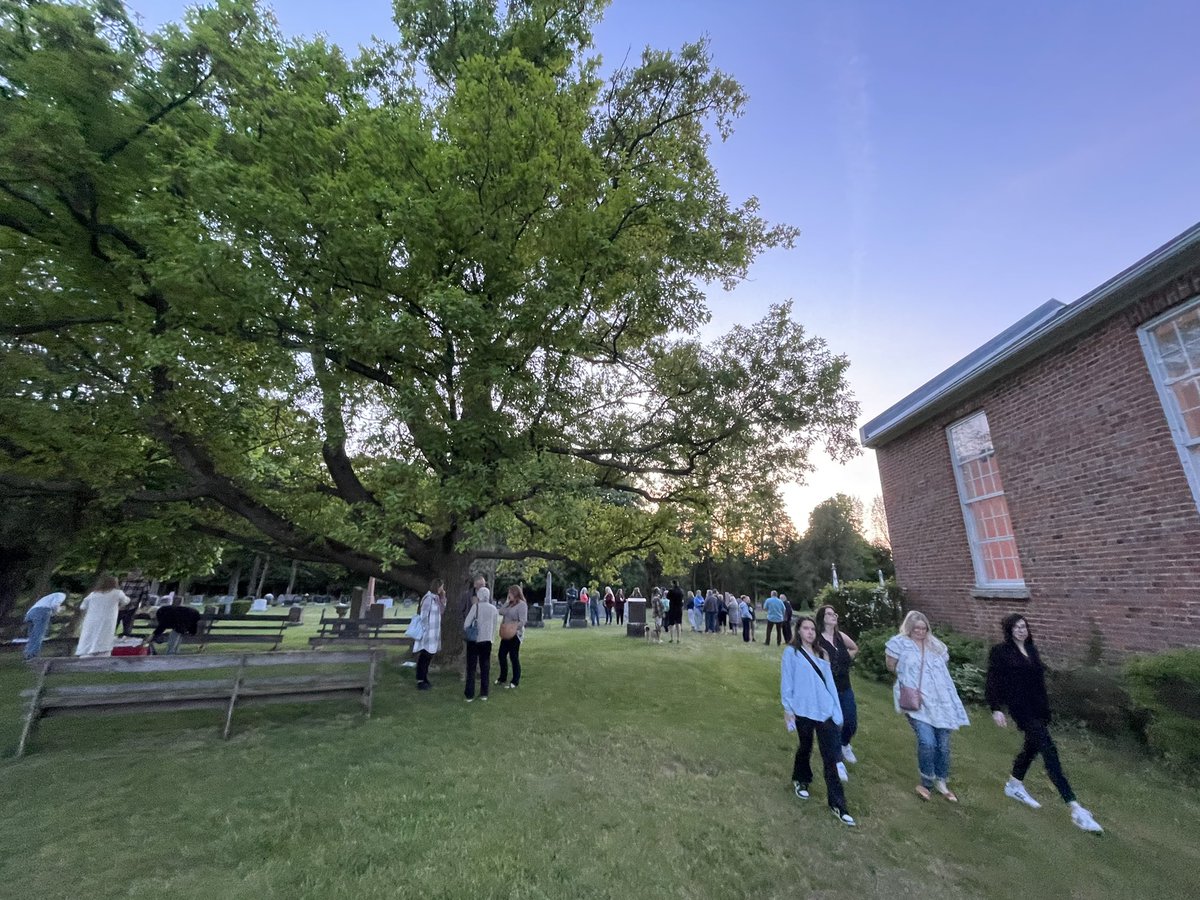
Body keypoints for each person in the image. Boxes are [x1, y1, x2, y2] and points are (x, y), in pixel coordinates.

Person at [986, 614, 1103, 833]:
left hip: (1038, 709)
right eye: (1017, 627)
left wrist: (1046, 709)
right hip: (1021, 709)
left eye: (1024, 626)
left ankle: (1014, 784)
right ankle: (1075, 808)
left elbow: (1038, 682)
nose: (1021, 630)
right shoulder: (1001, 652)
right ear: (1009, 631)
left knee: (1032, 747)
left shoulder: (1031, 650)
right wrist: (996, 708)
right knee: (1049, 751)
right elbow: (993, 681)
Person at [885, 611, 970, 802]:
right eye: (916, 628)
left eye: (923, 628)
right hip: (917, 701)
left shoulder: (936, 645)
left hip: (941, 701)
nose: (920, 632)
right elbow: (891, 666)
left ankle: (942, 781)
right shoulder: (899, 643)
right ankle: (926, 782)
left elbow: (943, 668)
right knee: (927, 742)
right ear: (909, 628)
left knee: (943, 745)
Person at [781, 616, 855, 826]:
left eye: (812, 629)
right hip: (803, 710)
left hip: (824, 710)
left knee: (831, 756)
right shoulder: (792, 653)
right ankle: (801, 780)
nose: (810, 632)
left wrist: (836, 711)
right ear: (799, 631)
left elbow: (829, 683)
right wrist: (788, 707)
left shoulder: (822, 653)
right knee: (805, 747)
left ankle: (838, 804)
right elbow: (787, 681)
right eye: (806, 628)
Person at [816, 605, 860, 777]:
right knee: (834, 724)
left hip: (845, 686)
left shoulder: (840, 636)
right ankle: (838, 761)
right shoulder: (818, 639)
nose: (833, 616)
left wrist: (847, 658)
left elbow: (854, 648)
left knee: (851, 721)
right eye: (828, 613)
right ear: (822, 618)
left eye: (834, 613)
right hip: (827, 689)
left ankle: (845, 744)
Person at [75, 576, 132, 657]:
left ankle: (86, 653)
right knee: (105, 635)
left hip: (92, 618)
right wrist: (119, 606)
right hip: (107, 619)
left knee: (90, 635)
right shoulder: (117, 593)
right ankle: (101, 653)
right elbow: (126, 601)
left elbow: (82, 606)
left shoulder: (93, 594)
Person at [463, 585, 498, 701]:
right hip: (487, 640)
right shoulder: (494, 609)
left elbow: (466, 624)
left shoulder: (476, 607)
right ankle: (484, 693)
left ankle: (469, 694)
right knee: (485, 666)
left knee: (471, 667)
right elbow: (494, 626)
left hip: (475, 640)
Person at [412, 578, 447, 690]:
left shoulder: (436, 598)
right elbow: (424, 615)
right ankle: (420, 680)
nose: (442, 589)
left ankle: (425, 677)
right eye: (441, 586)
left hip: (434, 632)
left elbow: (442, 610)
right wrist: (425, 629)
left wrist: (443, 597)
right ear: (437, 586)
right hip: (428, 632)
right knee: (424, 656)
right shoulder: (428, 599)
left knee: (429, 656)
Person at [496, 584, 528, 689]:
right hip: (506, 633)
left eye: (510, 593)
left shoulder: (522, 605)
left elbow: (523, 620)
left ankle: (515, 680)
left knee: (513, 656)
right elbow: (500, 612)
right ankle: (502, 677)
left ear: (515, 593)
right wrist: (507, 602)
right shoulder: (509, 604)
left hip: (515, 634)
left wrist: (513, 627)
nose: (509, 595)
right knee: (501, 655)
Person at [22, 591, 67, 660]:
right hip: (41, 612)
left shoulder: (48, 597)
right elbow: (54, 605)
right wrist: (59, 610)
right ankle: (32, 655)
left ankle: (27, 653)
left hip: (30, 613)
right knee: (39, 634)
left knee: (32, 635)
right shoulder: (61, 594)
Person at [117, 568, 150, 637]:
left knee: (127, 628)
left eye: (132, 575)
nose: (129, 576)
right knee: (113, 626)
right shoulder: (124, 581)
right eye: (129, 574)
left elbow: (145, 596)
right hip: (119, 607)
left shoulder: (143, 583)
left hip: (131, 608)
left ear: (137, 575)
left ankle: (125, 641)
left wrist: (142, 608)